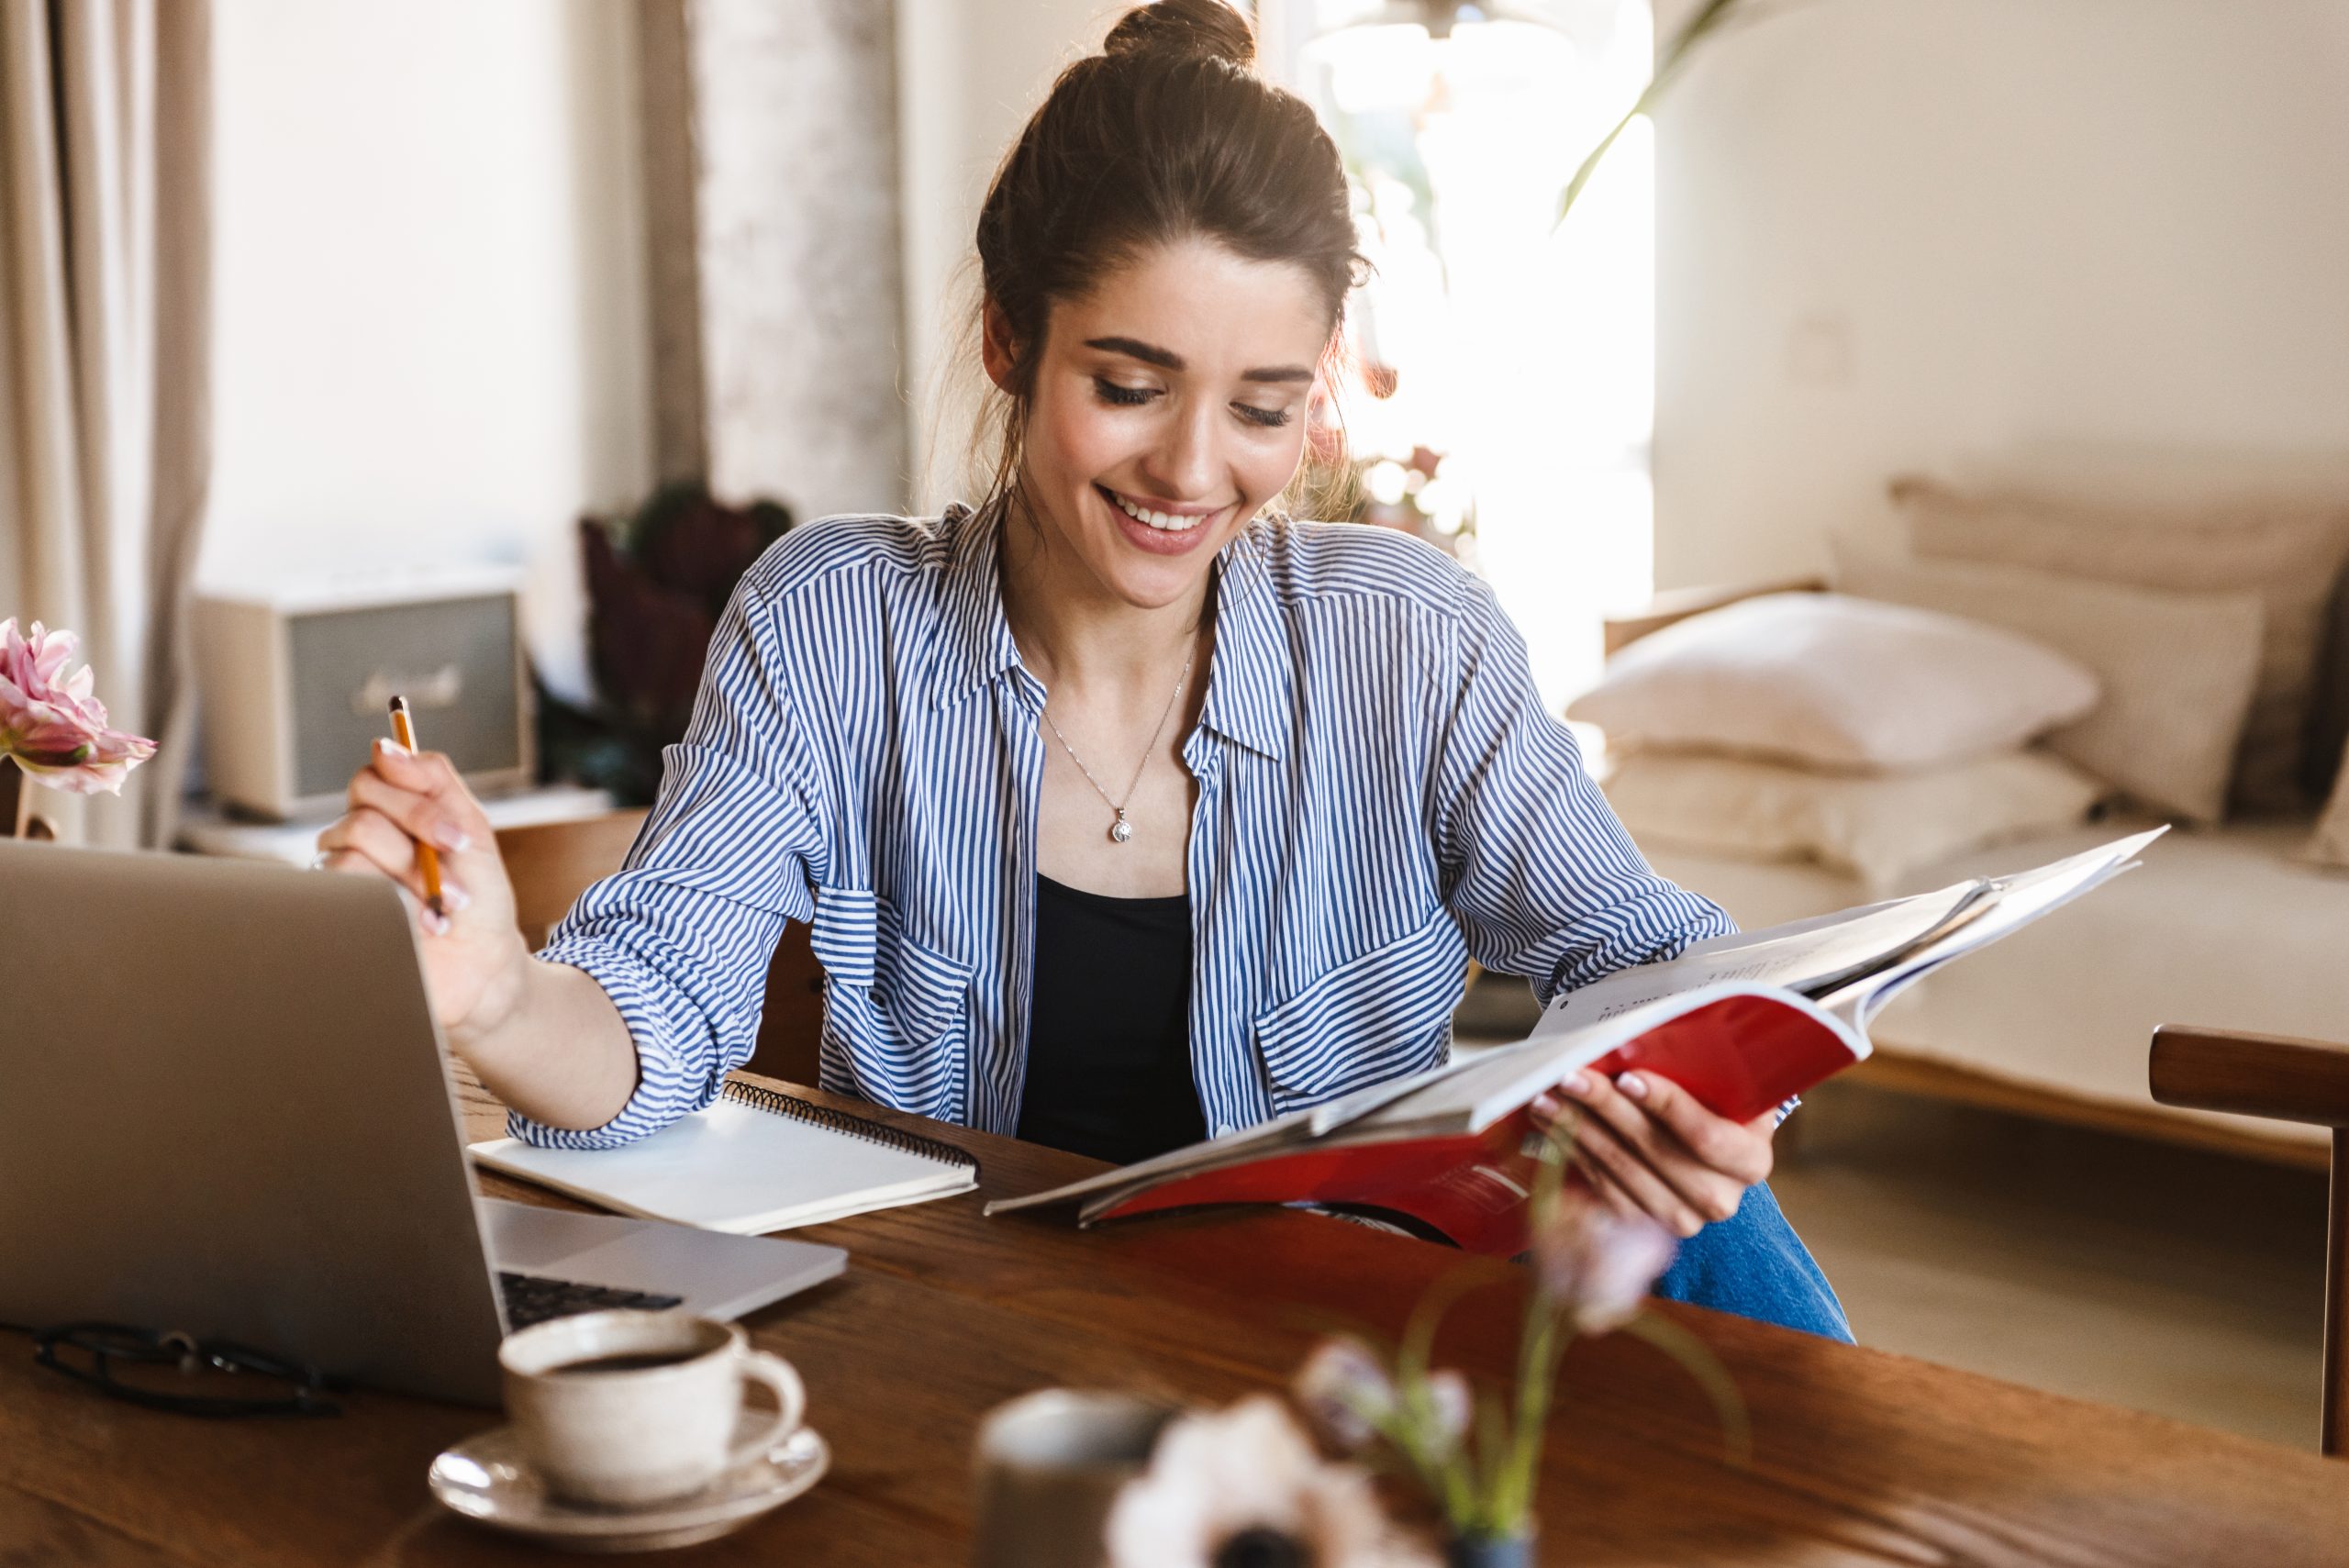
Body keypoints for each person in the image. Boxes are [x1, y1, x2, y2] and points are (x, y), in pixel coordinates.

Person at [318, 0, 1846, 1340]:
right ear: (1006, 338)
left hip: (1346, 1338)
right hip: (990, 1340)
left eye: (1261, 406)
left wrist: (1715, 1098)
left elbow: (1639, 955)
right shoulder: (834, 625)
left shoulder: (1412, 637)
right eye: (1129, 385)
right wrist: (503, 990)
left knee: (1734, 1248)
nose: (1192, 467)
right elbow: (653, 1027)